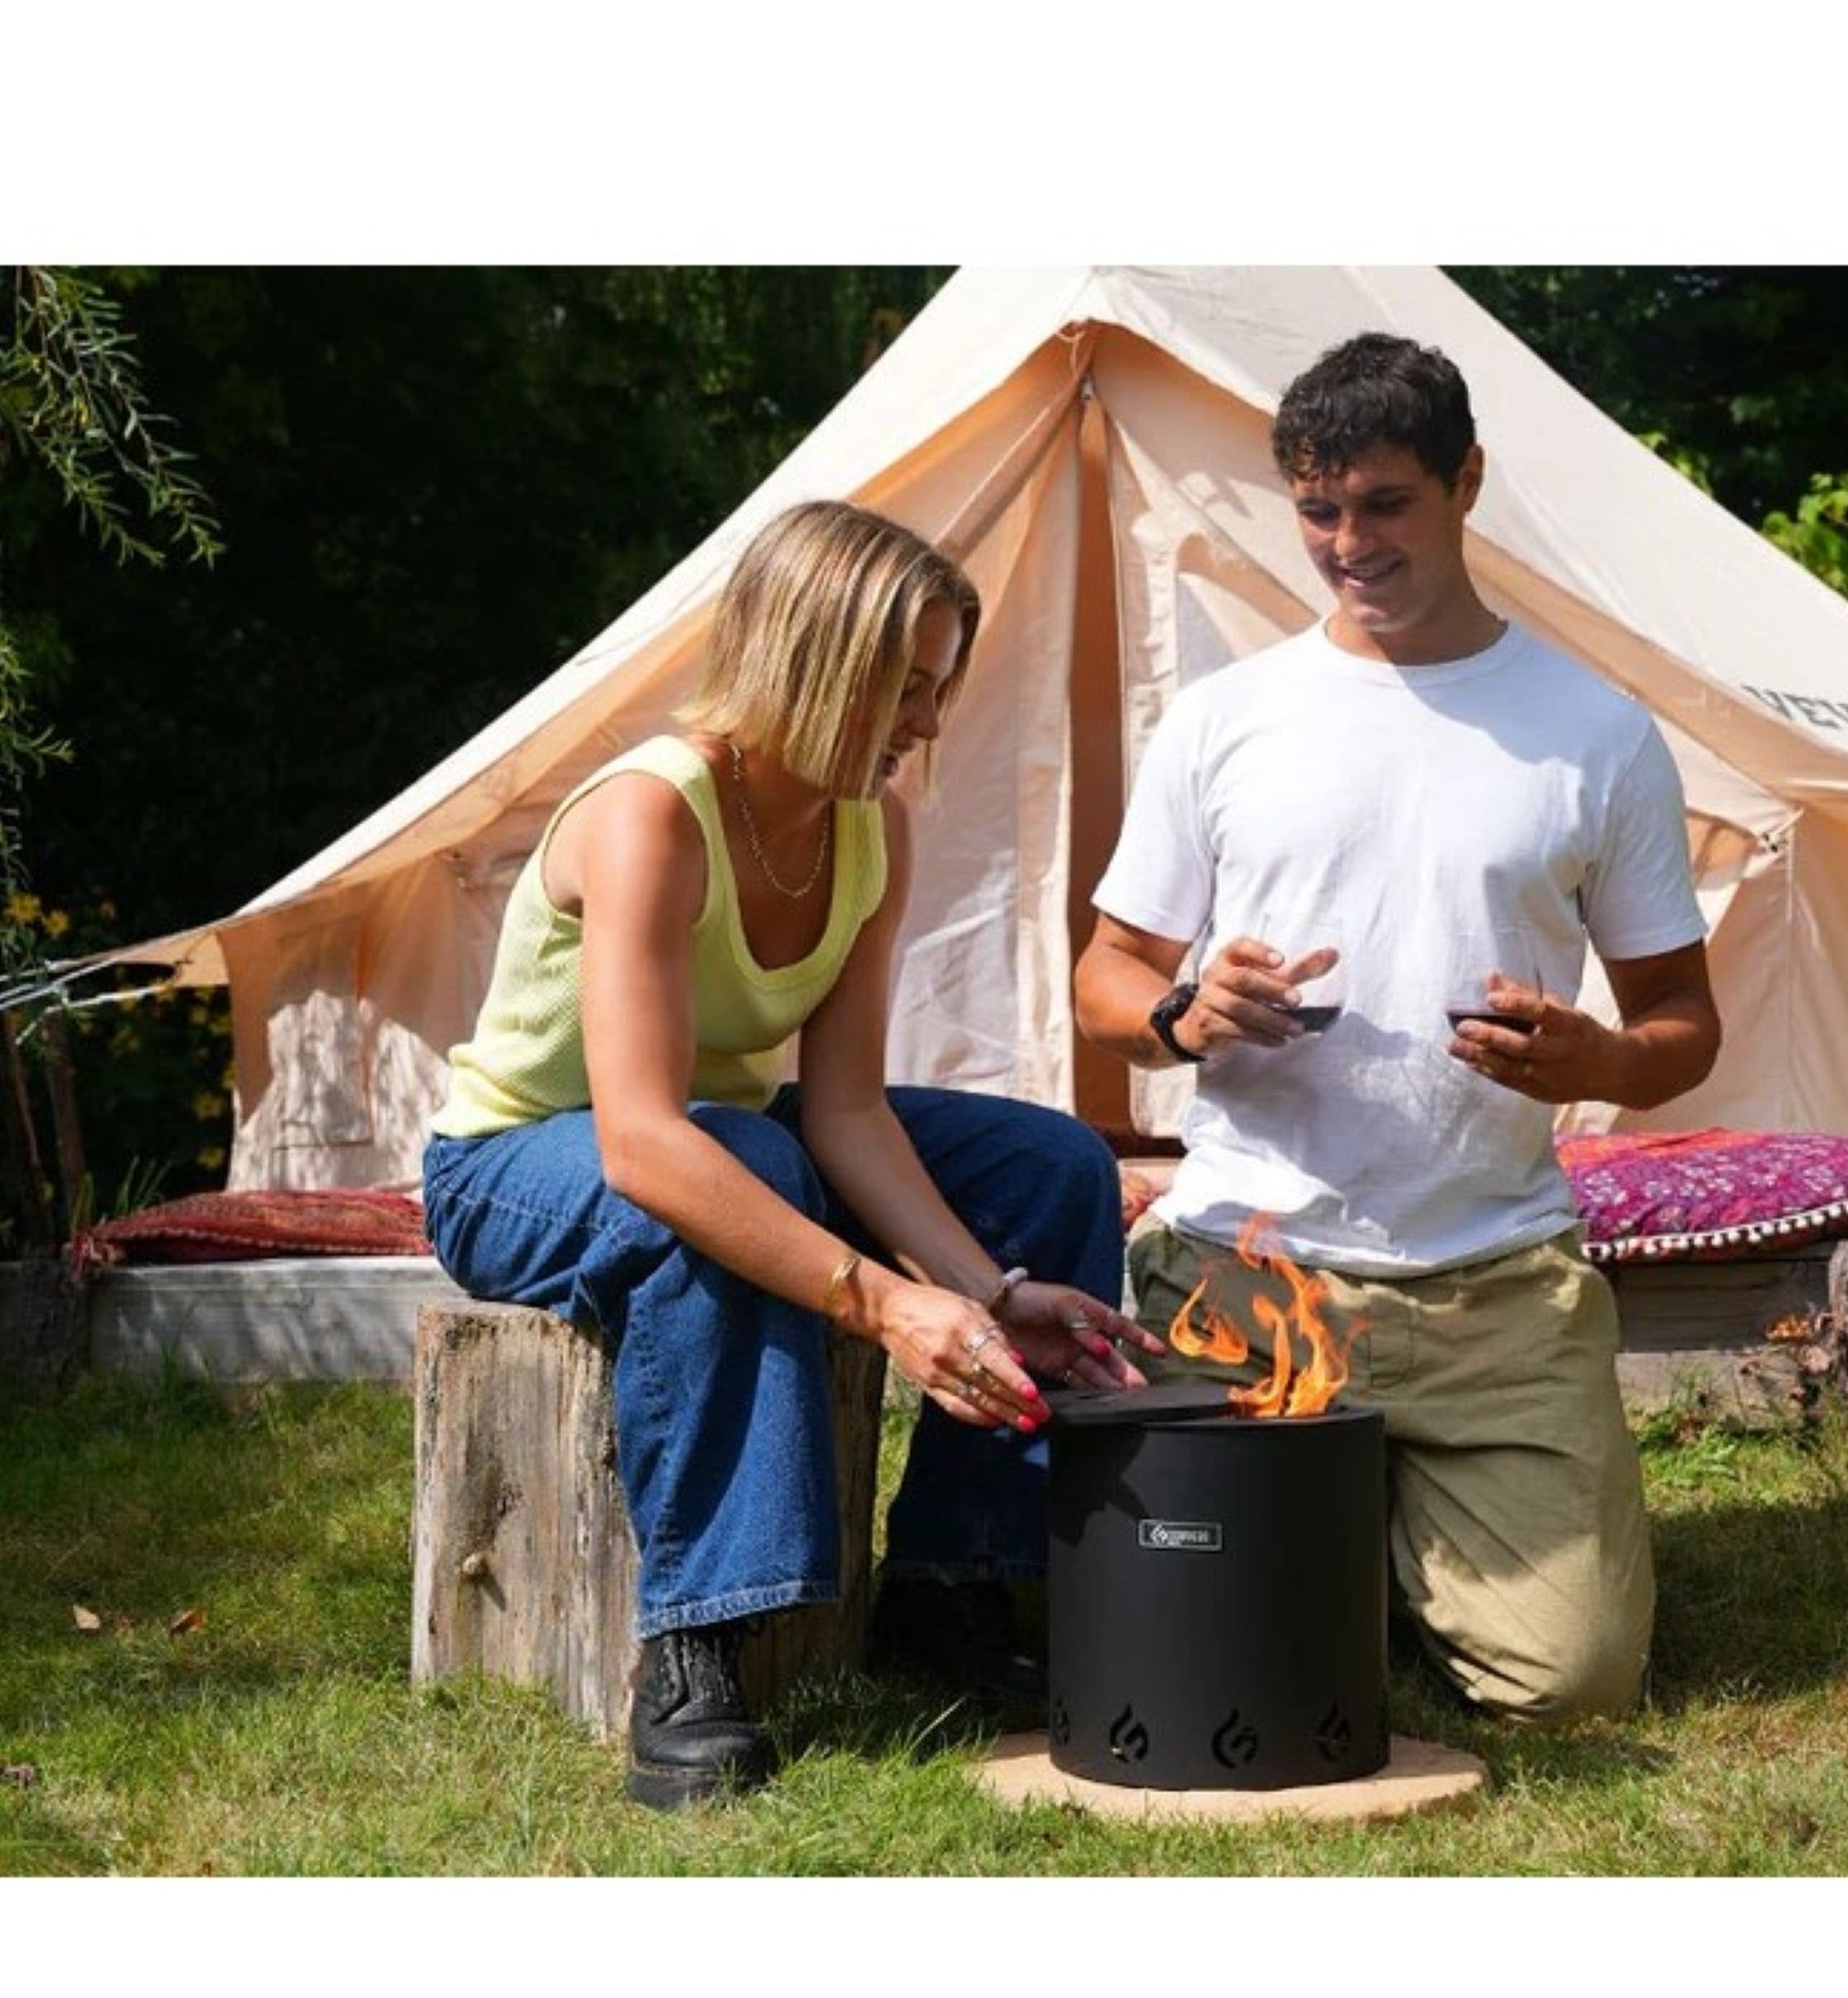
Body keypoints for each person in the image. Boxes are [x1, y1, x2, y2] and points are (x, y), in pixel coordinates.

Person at [423, 498, 1161, 1810]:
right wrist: (885, 1304)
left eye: (938, 690)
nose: (929, 724)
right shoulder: (652, 814)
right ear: (819, 658)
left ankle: (952, 1584)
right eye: (908, 690)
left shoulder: (869, 828)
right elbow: (646, 1145)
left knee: (1051, 1165)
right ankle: (699, 1642)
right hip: (514, 1166)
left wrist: (986, 1290)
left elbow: (845, 1114)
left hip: (727, 1138)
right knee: (728, 1175)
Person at [1073, 333, 1720, 1723]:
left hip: (1497, 1290)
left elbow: (1682, 1024)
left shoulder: (1595, 735)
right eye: (1318, 511)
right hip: (1245, 1273)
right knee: (1201, 1658)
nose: (1347, 543)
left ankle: (1394, 1524)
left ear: (1465, 480)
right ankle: (1358, 1526)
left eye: (1384, 505)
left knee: (1574, 1687)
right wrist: (1186, 1017)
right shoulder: (1226, 720)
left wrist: (1598, 1061)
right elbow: (1105, 980)